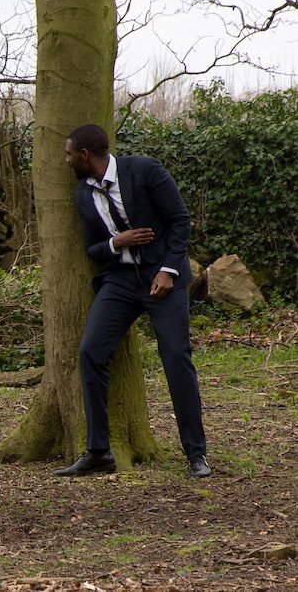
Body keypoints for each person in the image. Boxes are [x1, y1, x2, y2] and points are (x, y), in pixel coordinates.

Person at [54, 124, 209, 478]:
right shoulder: (83, 194)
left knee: (175, 356)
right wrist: (117, 242)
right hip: (121, 282)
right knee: (90, 351)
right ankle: (98, 451)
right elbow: (91, 248)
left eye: (68, 154)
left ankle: (196, 453)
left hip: (163, 281)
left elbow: (180, 220)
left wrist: (169, 270)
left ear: (85, 155)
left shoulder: (144, 170)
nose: (65, 161)